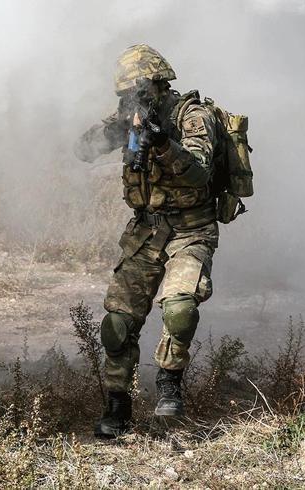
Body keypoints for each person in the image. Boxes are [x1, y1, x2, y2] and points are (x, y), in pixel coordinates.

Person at [74, 44, 222, 438]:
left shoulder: (192, 116)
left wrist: (161, 141)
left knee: (179, 308)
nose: (133, 100)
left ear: (160, 84)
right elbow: (82, 150)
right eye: (125, 94)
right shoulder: (129, 115)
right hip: (145, 230)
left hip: (191, 228)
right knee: (117, 324)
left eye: (139, 92)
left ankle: (170, 381)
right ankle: (117, 407)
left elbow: (199, 174)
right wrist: (118, 125)